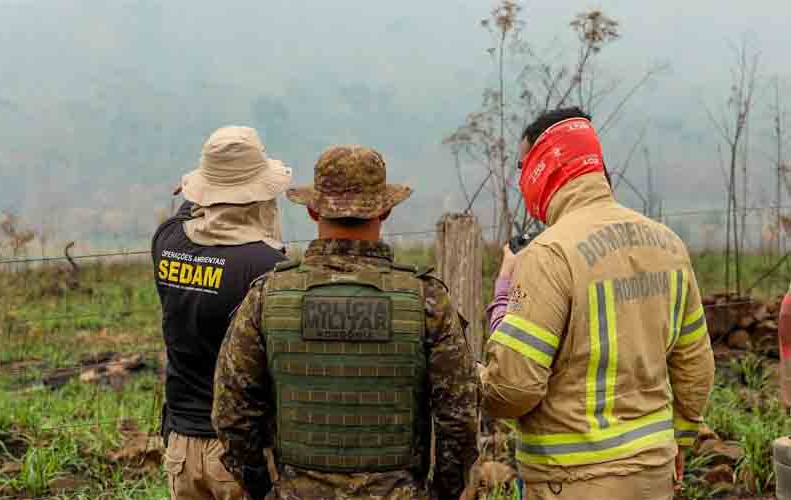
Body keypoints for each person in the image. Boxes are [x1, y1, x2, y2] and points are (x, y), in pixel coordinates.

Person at [212, 145, 479, 500]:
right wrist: (441, 493)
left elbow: (232, 414)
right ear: (385, 210)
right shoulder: (426, 299)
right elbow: (459, 418)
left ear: (312, 210)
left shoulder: (267, 297)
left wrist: (265, 490)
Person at [480, 107, 715, 500]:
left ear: (542, 166)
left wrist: (502, 299)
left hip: (573, 481)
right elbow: (696, 367)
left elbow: (513, 389)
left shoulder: (549, 255)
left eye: (522, 166)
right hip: (654, 476)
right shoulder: (669, 244)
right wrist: (681, 438)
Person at [152, 126, 292, 500]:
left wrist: (201, 188)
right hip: (239, 451)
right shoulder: (266, 267)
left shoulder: (167, 241)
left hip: (180, 446)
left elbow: (186, 214)